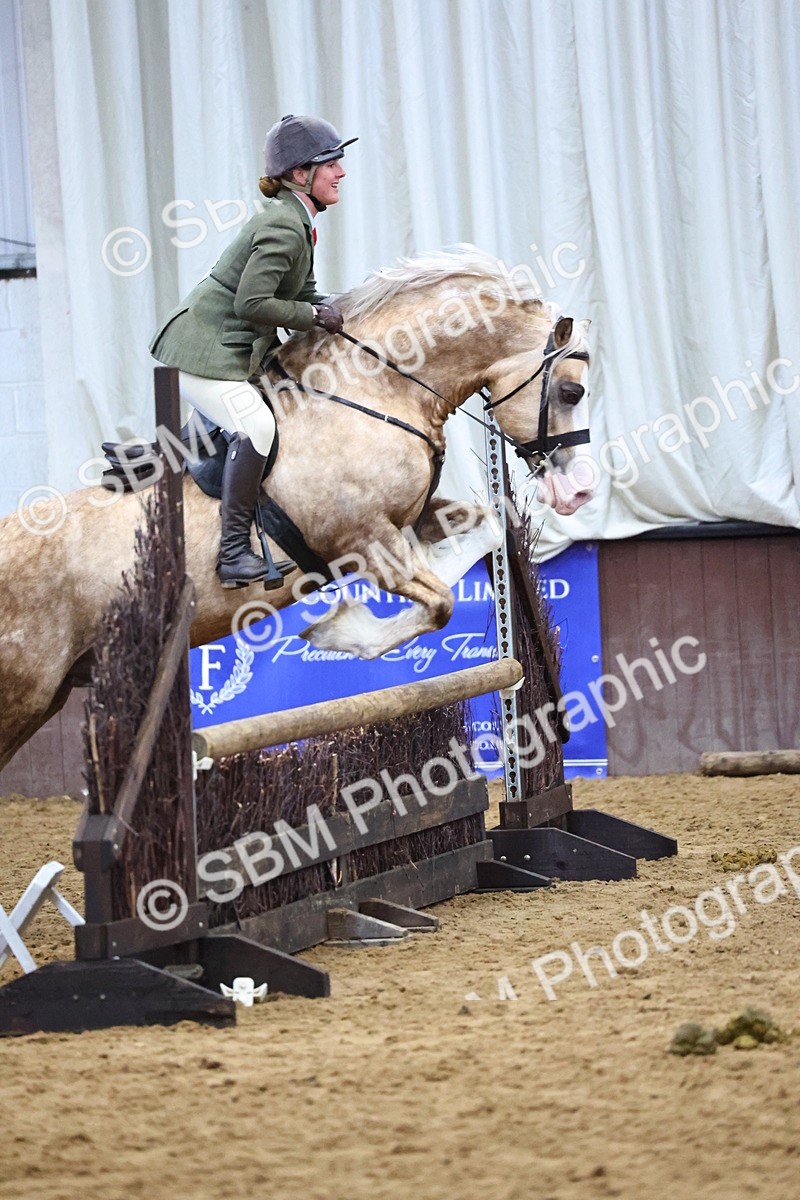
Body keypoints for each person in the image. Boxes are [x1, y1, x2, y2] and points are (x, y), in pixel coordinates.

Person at [150, 114, 356, 588]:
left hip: (229, 348)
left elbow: (302, 290)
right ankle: (233, 553)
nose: (341, 171)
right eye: (331, 163)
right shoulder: (285, 225)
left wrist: (342, 306)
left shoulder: (299, 221)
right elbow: (253, 303)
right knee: (258, 425)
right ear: (300, 174)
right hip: (205, 352)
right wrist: (311, 317)